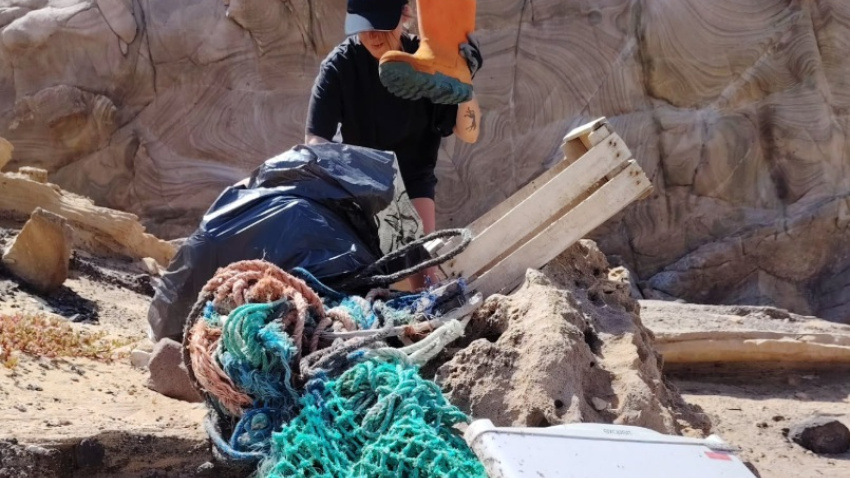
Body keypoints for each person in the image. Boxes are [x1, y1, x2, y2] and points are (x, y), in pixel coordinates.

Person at [304, 0, 482, 288]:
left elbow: (469, 133)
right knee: (361, 279)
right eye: (364, 28)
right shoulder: (340, 65)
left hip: (414, 180)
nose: (372, 35)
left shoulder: (428, 64)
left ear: (405, 14)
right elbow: (315, 141)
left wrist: (464, 78)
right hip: (360, 180)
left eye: (381, 25)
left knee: (421, 269)